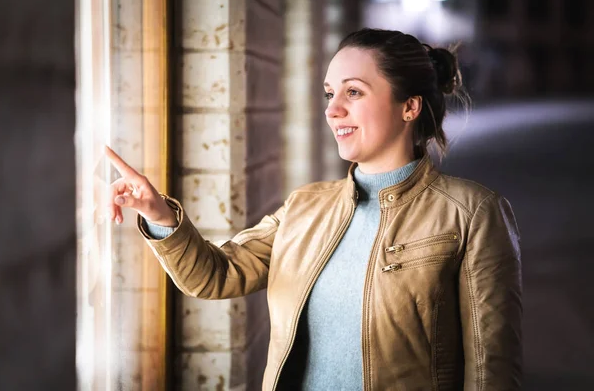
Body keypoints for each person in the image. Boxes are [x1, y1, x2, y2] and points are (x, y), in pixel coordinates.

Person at [106, 28, 522, 390]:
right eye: (329, 93)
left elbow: (491, 371)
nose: (332, 108)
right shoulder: (306, 206)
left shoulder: (472, 213)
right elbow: (218, 275)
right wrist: (160, 215)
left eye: (353, 92)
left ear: (409, 107)